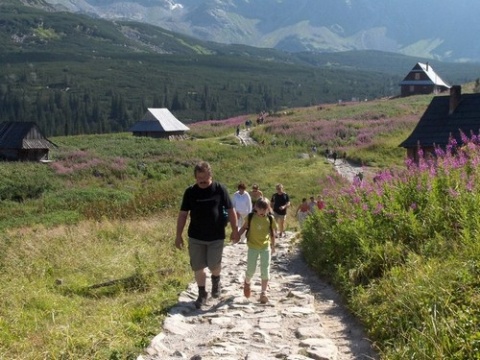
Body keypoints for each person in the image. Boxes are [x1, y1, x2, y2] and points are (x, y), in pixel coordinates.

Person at [175, 161, 240, 309]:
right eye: (199, 178)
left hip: (216, 236)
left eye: (205, 178)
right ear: (195, 177)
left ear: (211, 175)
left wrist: (235, 230)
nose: (202, 181)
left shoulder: (219, 189)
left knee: (214, 265)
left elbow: (231, 210)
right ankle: (202, 293)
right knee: (198, 267)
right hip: (196, 236)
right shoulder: (190, 192)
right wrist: (178, 235)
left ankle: (216, 279)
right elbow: (183, 215)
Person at [237, 197, 276, 304]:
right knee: (251, 269)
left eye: (265, 209)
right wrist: (237, 235)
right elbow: (244, 228)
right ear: (255, 207)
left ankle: (263, 293)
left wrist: (273, 246)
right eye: (260, 208)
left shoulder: (270, 219)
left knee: (265, 269)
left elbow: (272, 233)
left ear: (268, 209)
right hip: (253, 247)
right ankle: (247, 282)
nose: (262, 211)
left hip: (265, 247)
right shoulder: (250, 217)